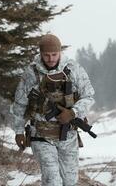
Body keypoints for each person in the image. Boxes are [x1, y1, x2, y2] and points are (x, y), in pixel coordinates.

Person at [11, 34, 95, 186]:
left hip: (68, 135)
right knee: (52, 179)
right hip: (41, 134)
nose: (50, 59)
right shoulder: (31, 73)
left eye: (54, 54)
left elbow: (89, 96)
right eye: (46, 55)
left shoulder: (74, 69)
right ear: (41, 53)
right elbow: (20, 104)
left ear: (60, 52)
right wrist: (18, 131)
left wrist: (73, 112)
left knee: (70, 181)